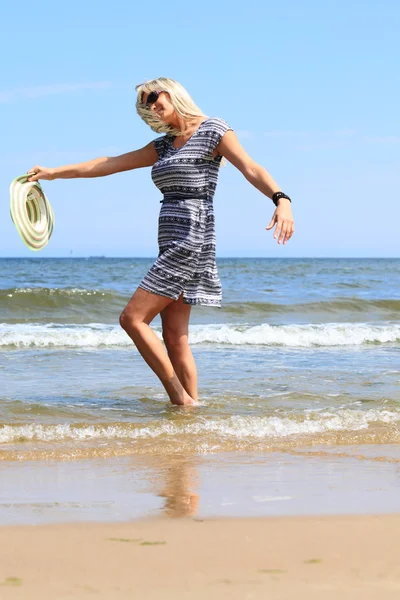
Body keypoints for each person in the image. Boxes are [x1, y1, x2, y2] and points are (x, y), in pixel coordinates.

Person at [27, 77, 294, 407]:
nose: (151, 105)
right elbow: (108, 163)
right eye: (144, 104)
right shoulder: (165, 145)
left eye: (153, 96)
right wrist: (54, 173)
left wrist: (281, 199)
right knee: (175, 337)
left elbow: (250, 167)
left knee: (132, 319)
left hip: (193, 236)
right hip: (170, 239)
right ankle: (189, 417)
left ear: (173, 91)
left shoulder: (213, 129)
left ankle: (181, 400)